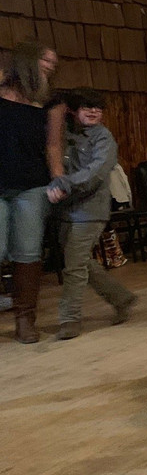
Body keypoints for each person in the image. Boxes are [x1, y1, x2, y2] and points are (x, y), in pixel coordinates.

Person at [46, 88, 136, 339]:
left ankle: (70, 319)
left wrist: (64, 184)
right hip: (66, 209)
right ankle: (121, 298)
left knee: (74, 265)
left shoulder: (103, 137)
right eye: (87, 107)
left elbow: (96, 172)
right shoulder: (65, 134)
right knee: (80, 261)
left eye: (98, 108)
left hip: (91, 210)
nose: (94, 111)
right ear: (74, 111)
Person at [1, 41, 64, 343]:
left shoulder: (52, 102)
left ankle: (25, 318)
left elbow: (53, 146)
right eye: (44, 60)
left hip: (32, 185)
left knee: (27, 252)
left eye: (53, 63)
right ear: (26, 60)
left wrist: (58, 180)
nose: (50, 66)